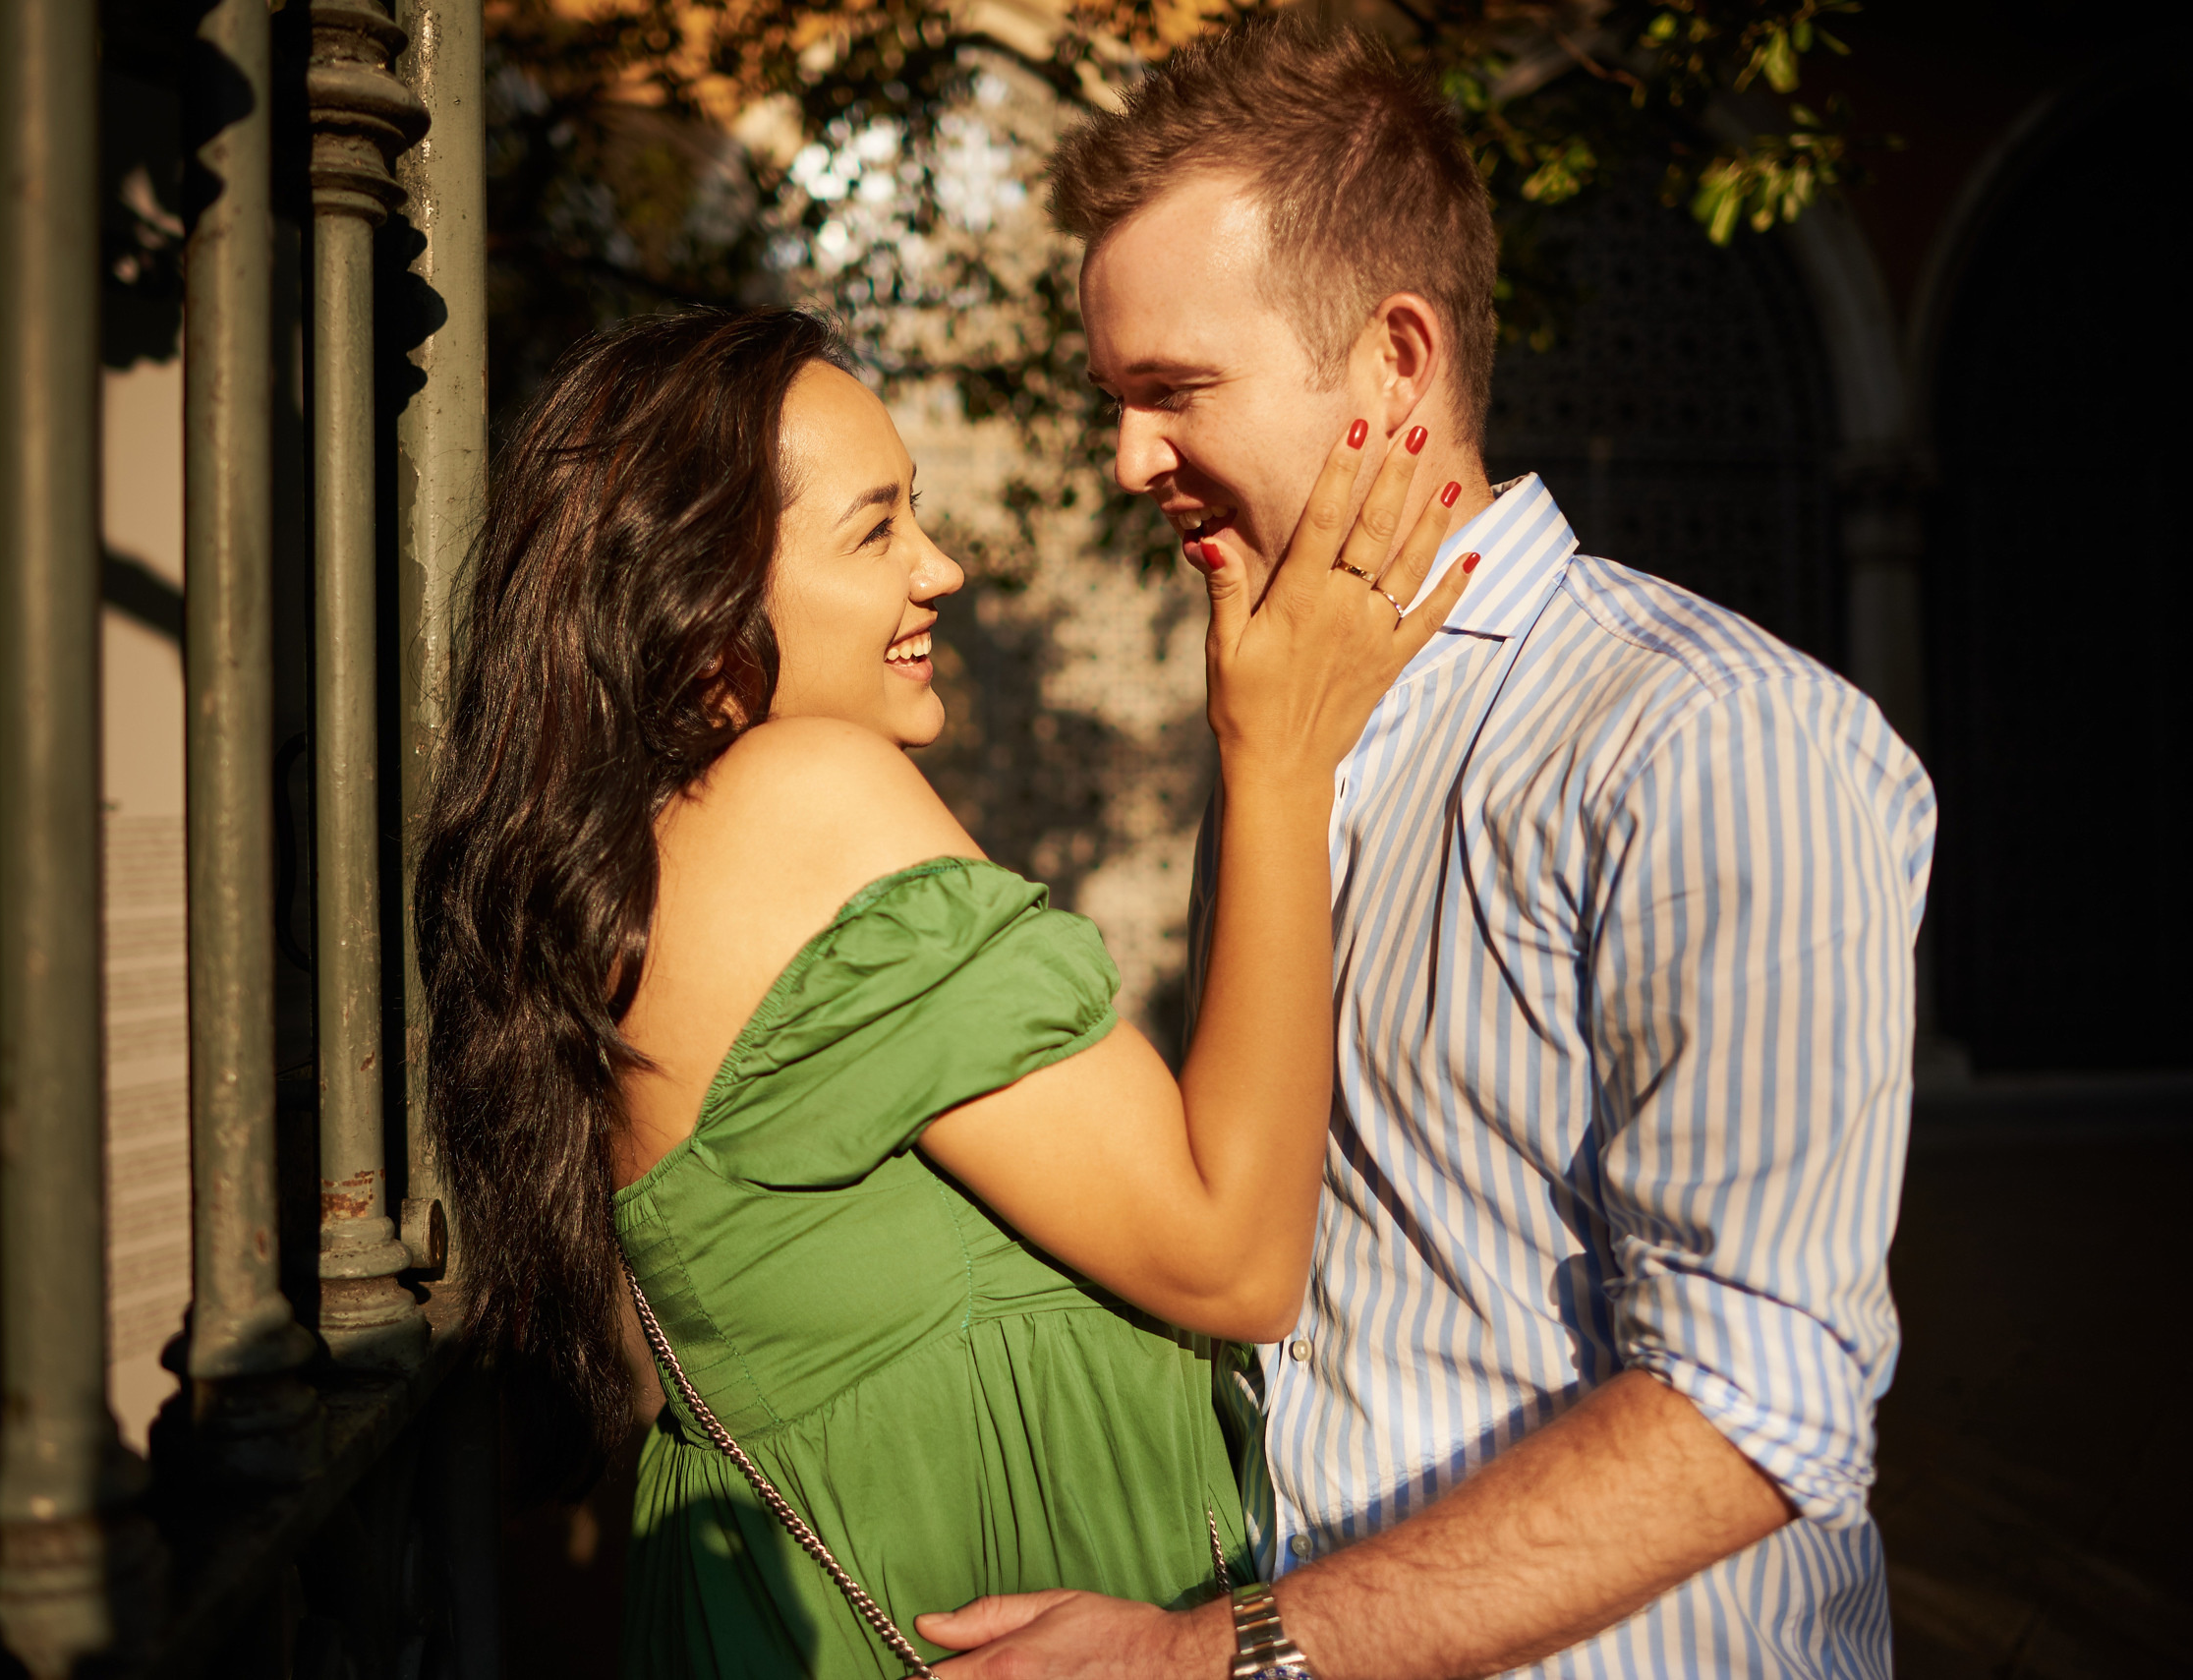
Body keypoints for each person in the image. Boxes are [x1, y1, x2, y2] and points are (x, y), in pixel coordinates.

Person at [919, 17, 1936, 1680]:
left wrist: (1203, 1659)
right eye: (1116, 401)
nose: (1128, 462)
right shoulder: (1282, 724)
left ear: (1395, 361)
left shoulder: (1706, 737)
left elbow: (1754, 1412)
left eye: (1174, 392)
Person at [413, 306, 1473, 1677]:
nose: (944, 568)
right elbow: (1237, 1255)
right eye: (876, 530)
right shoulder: (801, 798)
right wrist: (1275, 752)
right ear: (698, 596)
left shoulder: (647, 864)